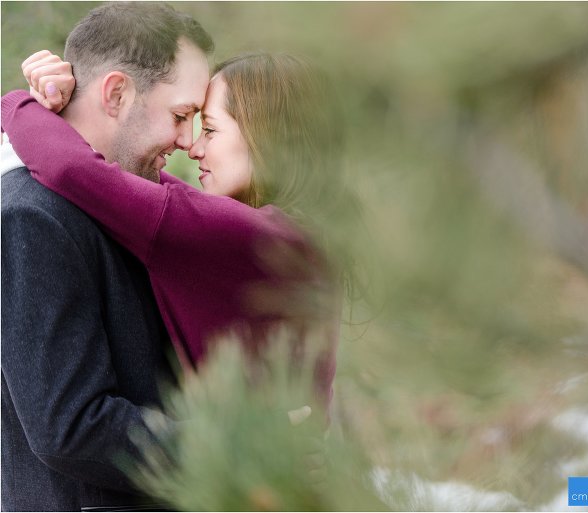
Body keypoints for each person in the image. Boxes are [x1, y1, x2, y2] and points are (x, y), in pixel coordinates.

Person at [4, 51, 344, 418]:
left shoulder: (249, 236)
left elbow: (75, 169)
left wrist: (18, 102)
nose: (194, 148)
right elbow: (127, 178)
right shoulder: (294, 233)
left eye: (210, 130)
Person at [0, 3, 213, 511]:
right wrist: (235, 446)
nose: (186, 141)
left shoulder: (124, 201)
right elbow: (71, 427)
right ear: (116, 93)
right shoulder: (32, 217)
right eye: (180, 116)